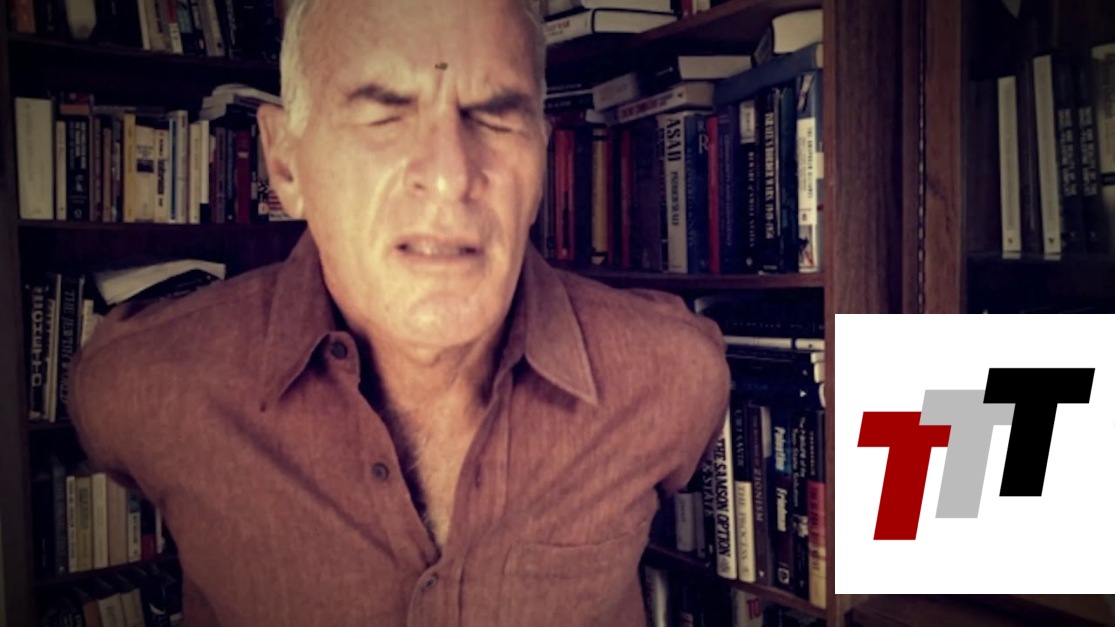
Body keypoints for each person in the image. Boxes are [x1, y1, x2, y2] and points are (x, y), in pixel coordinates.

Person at [69, 0, 731, 624]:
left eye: (494, 115)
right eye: (384, 115)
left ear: (540, 152)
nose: (449, 175)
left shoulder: (671, 374)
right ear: (285, 162)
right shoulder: (143, 383)